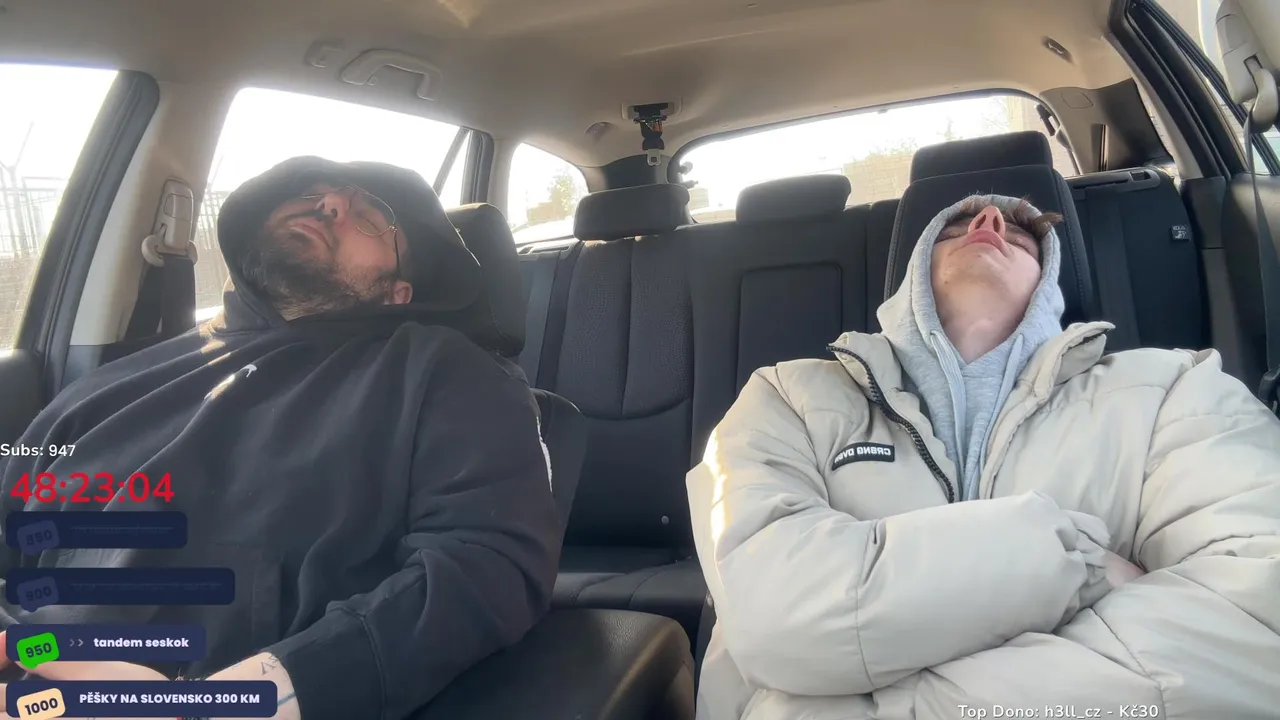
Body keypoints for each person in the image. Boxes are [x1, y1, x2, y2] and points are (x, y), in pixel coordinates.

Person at [0, 157, 561, 719]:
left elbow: (487, 563)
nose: (330, 203)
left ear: (398, 291)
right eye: (313, 191)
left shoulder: (445, 373)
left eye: (371, 216)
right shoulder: (108, 387)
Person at [688, 193, 1280, 719]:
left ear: (1050, 284)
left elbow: (1252, 620)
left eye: (1021, 235)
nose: (990, 220)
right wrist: (1077, 559)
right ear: (912, 277)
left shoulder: (1173, 387)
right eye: (953, 229)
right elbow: (777, 614)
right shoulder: (784, 396)